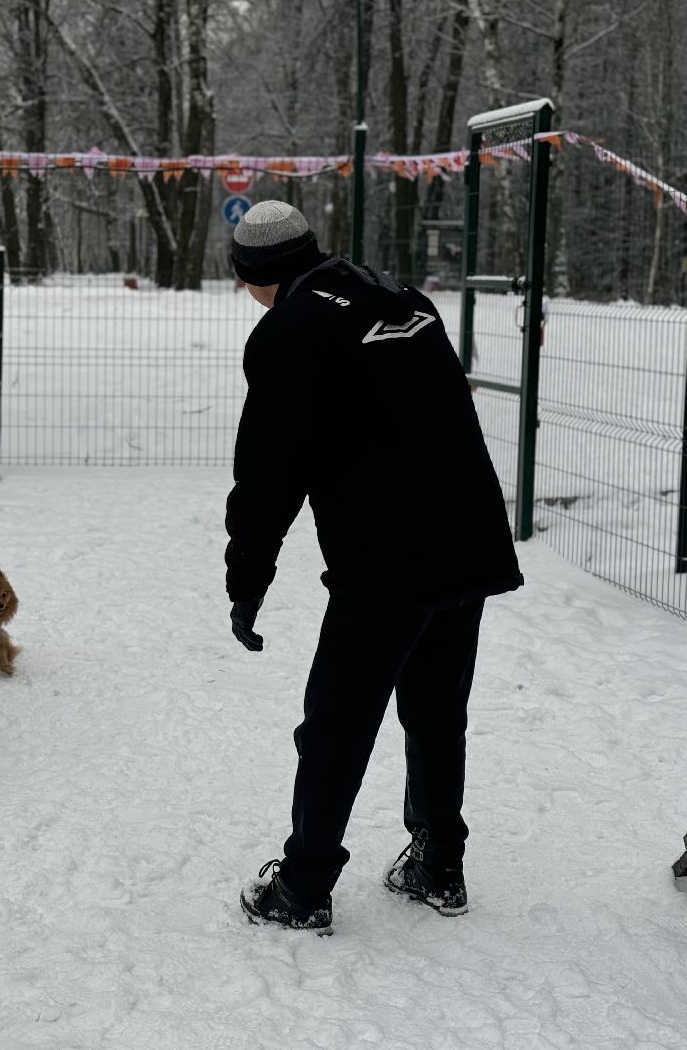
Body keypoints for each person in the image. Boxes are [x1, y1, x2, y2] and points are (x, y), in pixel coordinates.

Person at [225, 201, 523, 934]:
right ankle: (437, 862)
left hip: (388, 561)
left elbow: (268, 477)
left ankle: (301, 887)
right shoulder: (402, 299)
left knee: (336, 722)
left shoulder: (288, 330)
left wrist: (246, 580)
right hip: (470, 538)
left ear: (257, 276)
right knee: (435, 708)